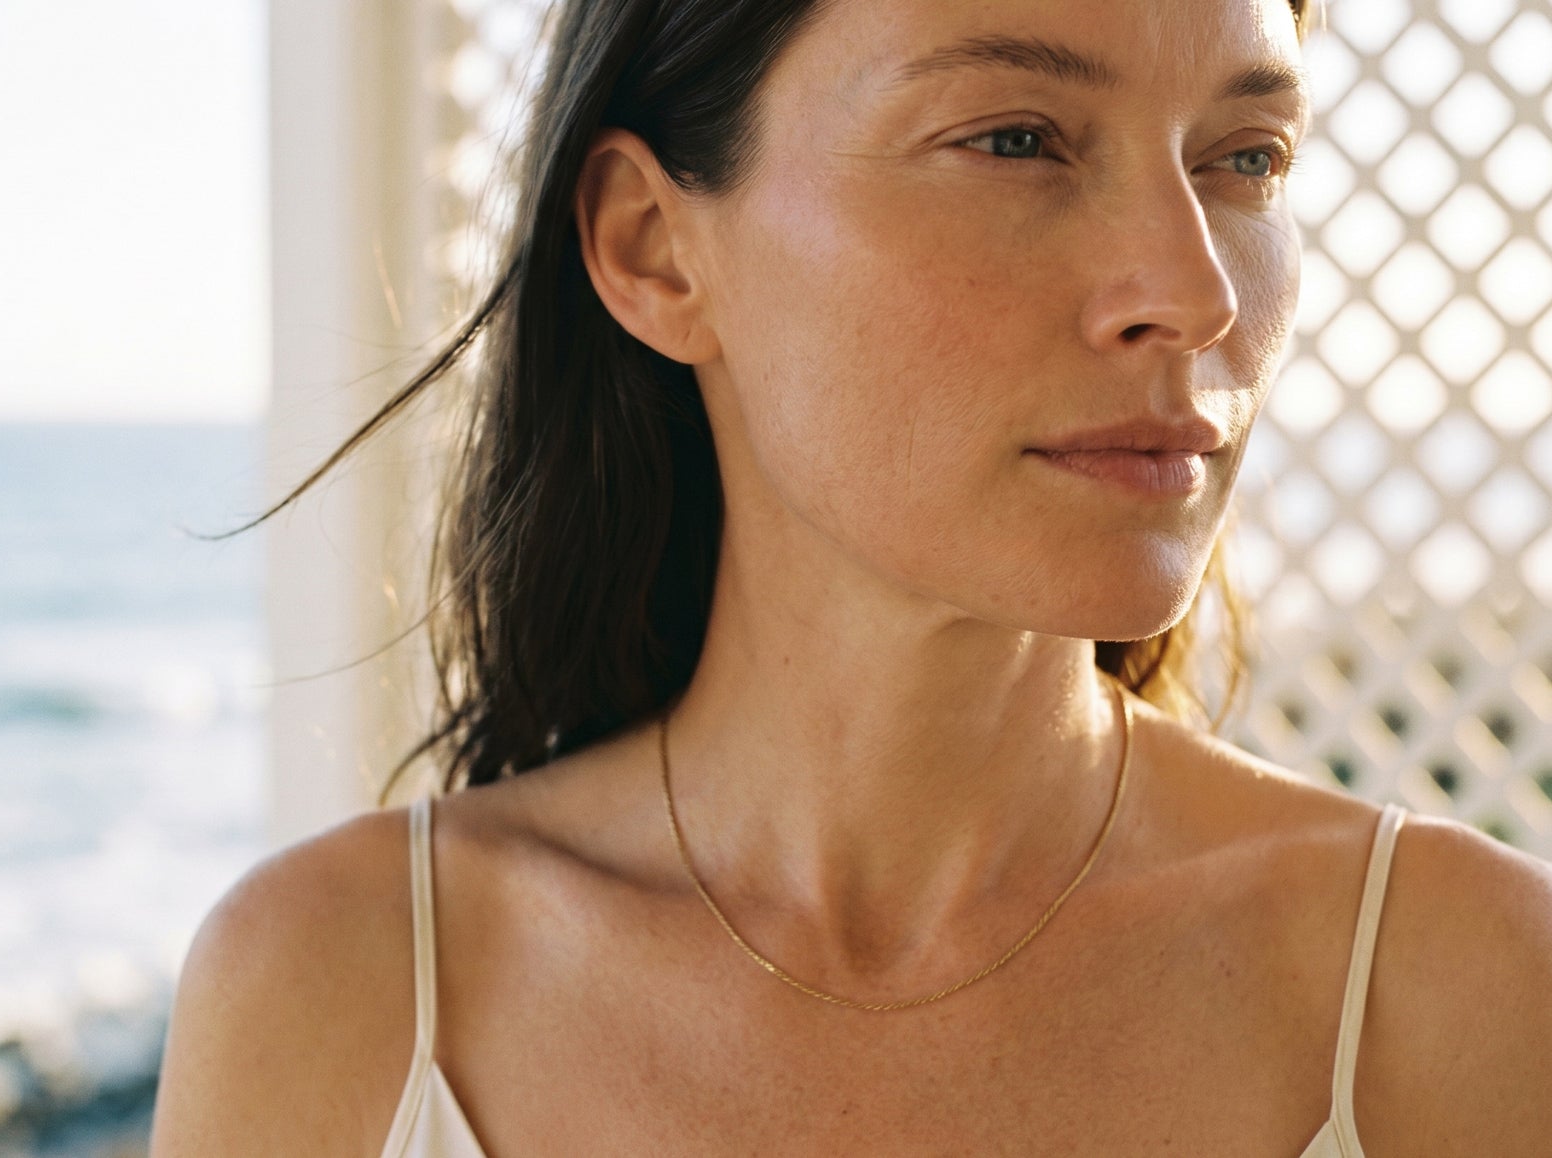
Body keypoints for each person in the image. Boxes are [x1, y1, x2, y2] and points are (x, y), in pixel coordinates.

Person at [150, 0, 1552, 1152]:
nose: (1196, 293)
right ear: (653, 248)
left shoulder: (1464, 994)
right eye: (1017, 138)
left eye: (1244, 159)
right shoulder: (337, 997)